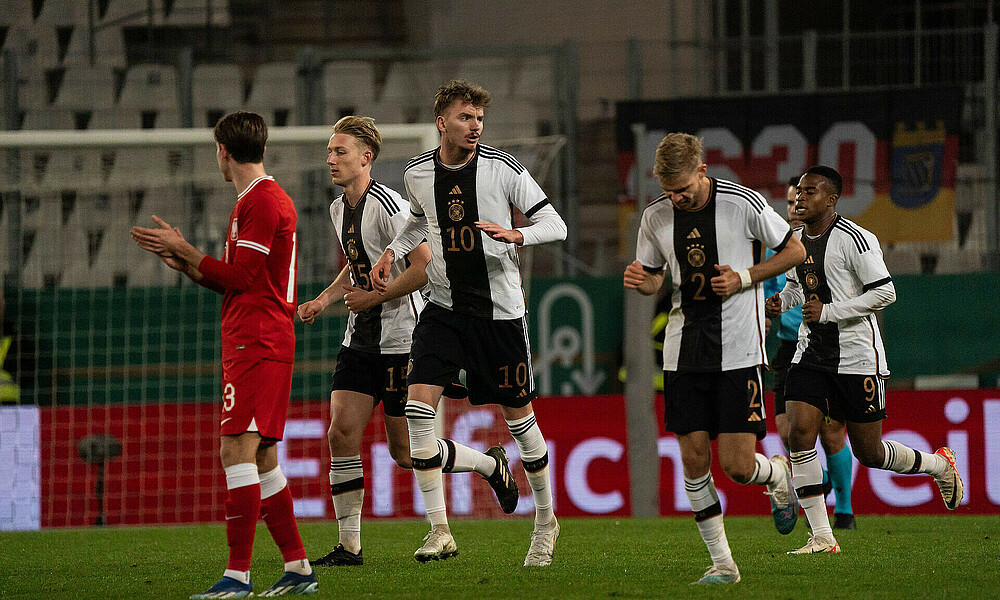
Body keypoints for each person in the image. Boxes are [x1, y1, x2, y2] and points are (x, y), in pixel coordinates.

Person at [296, 116, 518, 567]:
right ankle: (350, 546)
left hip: (400, 340)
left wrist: (374, 294)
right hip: (359, 340)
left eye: (340, 151)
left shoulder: (390, 204)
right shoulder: (340, 208)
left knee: (405, 452)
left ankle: (491, 466)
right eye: (329, 151)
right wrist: (325, 298)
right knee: (340, 433)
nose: (331, 159)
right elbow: (358, 263)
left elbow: (422, 264)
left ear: (366, 158)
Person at [370, 80, 567, 566]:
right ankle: (440, 531)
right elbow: (418, 220)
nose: (475, 125)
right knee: (418, 410)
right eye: (465, 117)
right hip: (442, 308)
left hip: (499, 314)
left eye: (479, 117)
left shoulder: (502, 169)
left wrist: (516, 232)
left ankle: (546, 521)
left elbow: (556, 224)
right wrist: (393, 250)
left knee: (520, 421)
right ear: (442, 123)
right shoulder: (418, 173)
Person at [130, 111, 318, 598]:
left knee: (235, 449)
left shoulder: (261, 202)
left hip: (257, 341)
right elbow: (234, 283)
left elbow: (243, 280)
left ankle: (237, 576)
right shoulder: (253, 201)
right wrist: (187, 264)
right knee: (264, 459)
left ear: (224, 151)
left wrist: (186, 247)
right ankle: (298, 567)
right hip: (257, 335)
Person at [623, 132, 807, 585]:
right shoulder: (656, 216)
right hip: (684, 351)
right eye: (668, 191)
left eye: (682, 188)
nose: (677, 198)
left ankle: (777, 475)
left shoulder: (743, 202)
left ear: (702, 171)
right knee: (694, 460)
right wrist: (641, 282)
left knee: (738, 466)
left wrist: (745, 276)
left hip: (740, 349)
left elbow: (796, 250)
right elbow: (653, 280)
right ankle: (724, 565)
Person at [767, 166, 963, 555]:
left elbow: (885, 293)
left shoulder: (856, 239)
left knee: (869, 452)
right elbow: (795, 286)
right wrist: (781, 303)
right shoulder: (795, 240)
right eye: (799, 192)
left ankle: (939, 465)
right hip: (810, 353)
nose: (800, 198)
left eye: (809, 191)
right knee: (798, 434)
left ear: (832, 199)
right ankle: (823, 537)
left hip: (857, 356)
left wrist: (830, 312)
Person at [763, 176, 856, 530]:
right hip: (789, 349)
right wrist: (770, 310)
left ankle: (844, 511)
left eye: (799, 198)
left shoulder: (839, 244)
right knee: (790, 433)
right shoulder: (777, 251)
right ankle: (817, 491)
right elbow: (775, 293)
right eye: (788, 202)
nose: (793, 207)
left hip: (829, 347)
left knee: (832, 433)